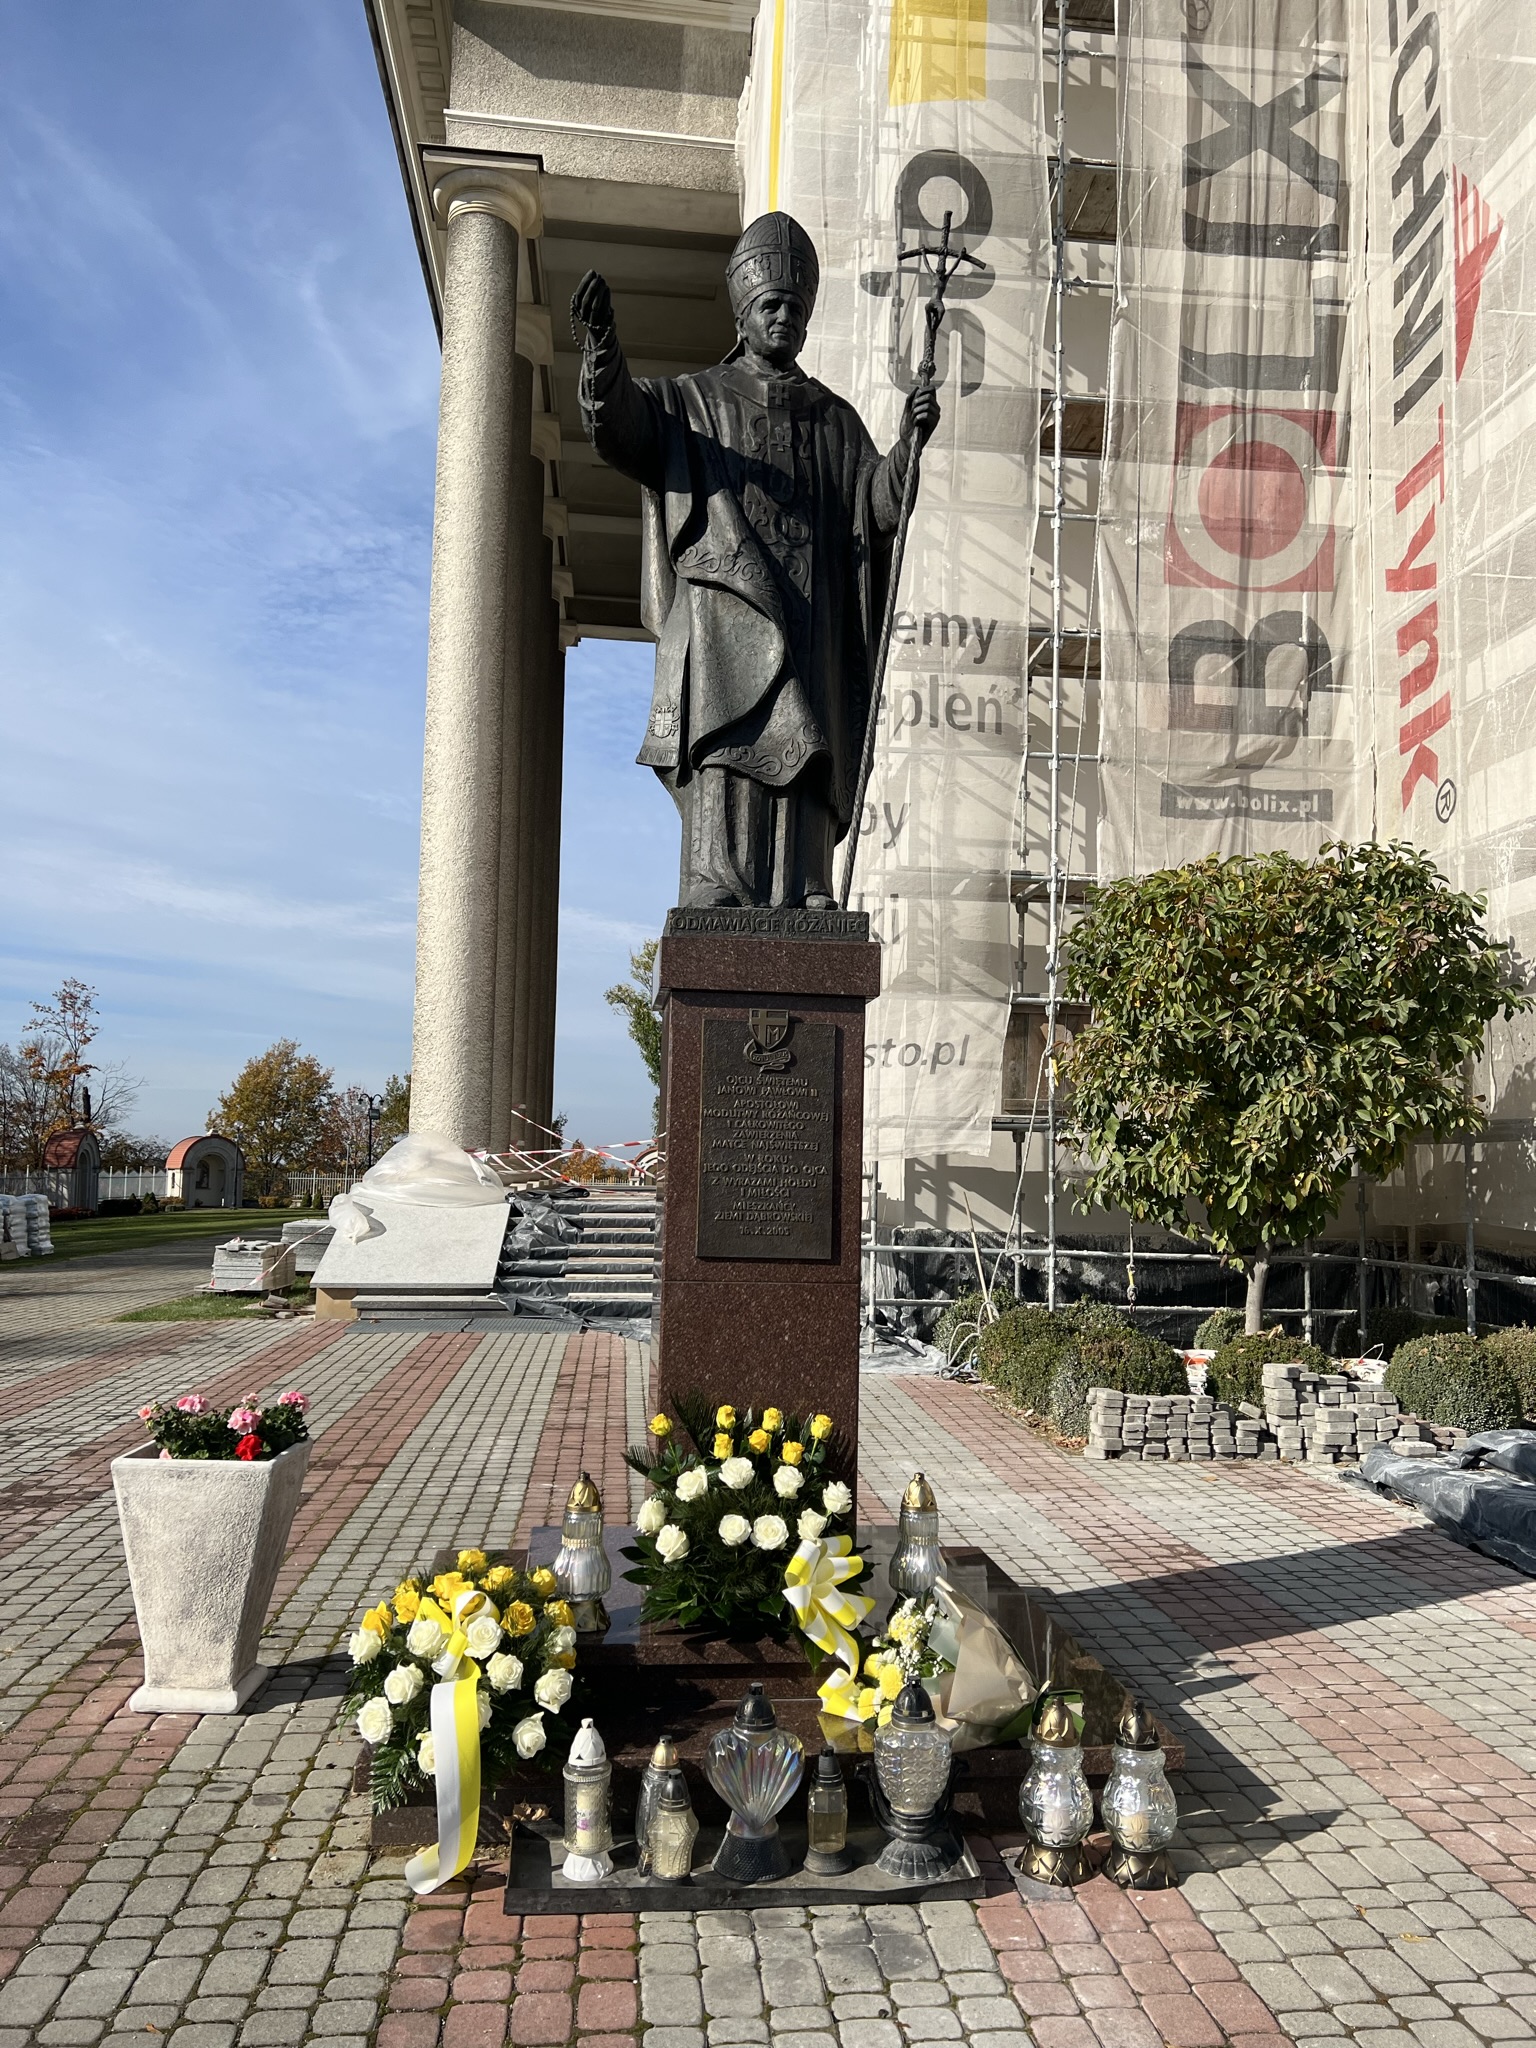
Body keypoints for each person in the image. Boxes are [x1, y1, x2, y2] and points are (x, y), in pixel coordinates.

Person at [573, 212, 939, 911]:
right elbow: (622, 428)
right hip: (724, 613)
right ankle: (717, 879)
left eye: (795, 309)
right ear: (741, 315)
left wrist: (907, 447)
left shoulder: (834, 420)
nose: (784, 319)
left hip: (809, 616)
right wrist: (604, 349)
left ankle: (804, 884)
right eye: (771, 305)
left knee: (806, 746)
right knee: (728, 749)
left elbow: (875, 508)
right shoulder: (691, 402)